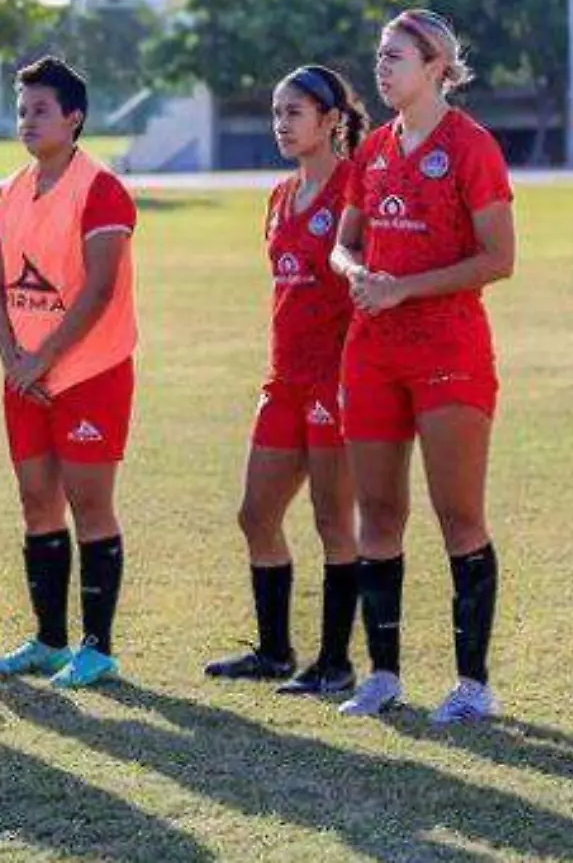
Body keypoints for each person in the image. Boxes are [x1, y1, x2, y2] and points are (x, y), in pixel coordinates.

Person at [329, 9, 514, 723]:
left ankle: (471, 685)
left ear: (437, 64)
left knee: (458, 515)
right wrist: (357, 271)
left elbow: (500, 258)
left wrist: (404, 286)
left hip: (449, 352)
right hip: (371, 352)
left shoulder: (471, 146)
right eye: (378, 54)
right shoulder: (373, 148)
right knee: (377, 512)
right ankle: (382, 676)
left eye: (396, 55)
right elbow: (343, 245)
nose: (382, 67)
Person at [205, 65, 368, 696]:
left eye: (295, 112)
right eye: (277, 112)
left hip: (337, 382)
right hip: (284, 380)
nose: (282, 124)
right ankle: (274, 651)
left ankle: (335, 662)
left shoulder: (354, 187)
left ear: (331, 120)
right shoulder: (278, 196)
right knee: (256, 513)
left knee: (334, 520)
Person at [0, 56, 137, 690]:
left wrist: (44, 358)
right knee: (36, 503)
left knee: (88, 504)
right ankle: (48, 640)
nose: (28, 121)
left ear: (74, 118)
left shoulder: (101, 188)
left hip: (89, 373)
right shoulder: (9, 192)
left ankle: (97, 648)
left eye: (41, 109)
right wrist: (15, 359)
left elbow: (99, 290)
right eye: (22, 110)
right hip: (26, 378)